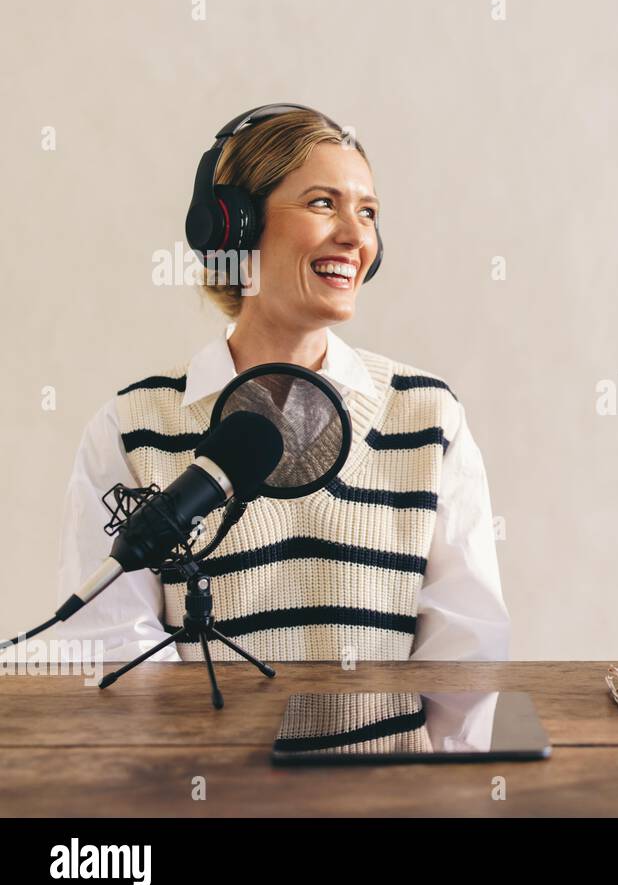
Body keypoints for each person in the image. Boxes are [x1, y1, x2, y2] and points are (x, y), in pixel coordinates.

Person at [54, 106, 508, 662]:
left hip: (395, 754)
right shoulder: (132, 429)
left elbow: (466, 647)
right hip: (201, 752)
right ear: (235, 225)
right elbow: (114, 651)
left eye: (368, 213)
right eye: (323, 203)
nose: (354, 236)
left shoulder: (427, 415)